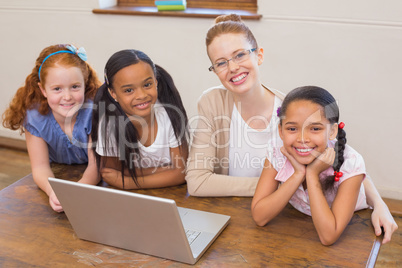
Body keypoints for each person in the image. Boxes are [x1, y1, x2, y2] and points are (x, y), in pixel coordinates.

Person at [185, 14, 397, 243]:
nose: (233, 67)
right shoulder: (212, 103)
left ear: (259, 55)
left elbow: (344, 159)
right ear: (215, 69)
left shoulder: (294, 111)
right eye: (221, 62)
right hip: (255, 213)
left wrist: (380, 203)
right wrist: (283, 184)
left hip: (304, 216)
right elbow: (198, 181)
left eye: (240, 54)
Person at [252, 86, 372, 245]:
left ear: (332, 131)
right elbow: (260, 217)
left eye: (315, 128)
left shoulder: (350, 162)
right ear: (281, 131)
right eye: (292, 128)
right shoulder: (277, 151)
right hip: (297, 220)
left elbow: (328, 236)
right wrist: (298, 174)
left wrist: (312, 174)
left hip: (354, 219)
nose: (302, 138)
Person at [2, 44, 101, 212]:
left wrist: (76, 191)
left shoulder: (94, 112)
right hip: (59, 172)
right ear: (43, 90)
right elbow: (40, 167)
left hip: (96, 175)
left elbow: (96, 166)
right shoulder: (35, 118)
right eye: (57, 89)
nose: (67, 96)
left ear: (85, 84)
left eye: (75, 87)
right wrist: (53, 191)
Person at [92, 49, 189, 189]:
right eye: (128, 90)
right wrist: (166, 169)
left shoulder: (169, 115)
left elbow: (181, 172)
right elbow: (111, 174)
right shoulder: (109, 124)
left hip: (173, 194)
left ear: (156, 81)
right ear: (113, 93)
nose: (141, 95)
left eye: (147, 84)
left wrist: (128, 182)